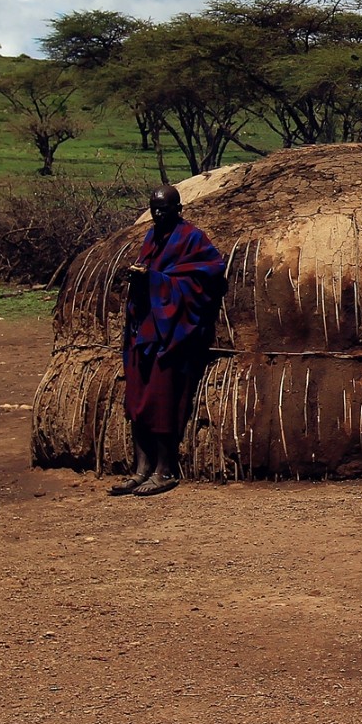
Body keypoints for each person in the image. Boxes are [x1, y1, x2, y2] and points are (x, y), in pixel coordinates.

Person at [111, 184, 226, 496]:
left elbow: (205, 277)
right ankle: (141, 468)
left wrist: (155, 280)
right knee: (136, 399)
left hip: (173, 334)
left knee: (162, 399)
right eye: (154, 210)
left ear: (178, 209)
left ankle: (164, 470)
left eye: (163, 209)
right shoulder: (151, 237)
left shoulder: (192, 238)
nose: (158, 215)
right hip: (146, 330)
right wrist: (139, 279)